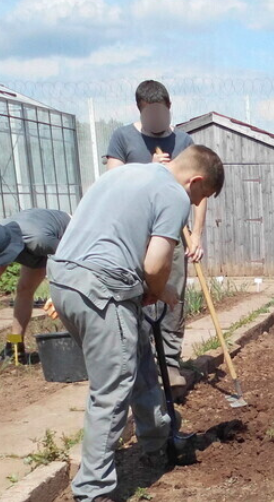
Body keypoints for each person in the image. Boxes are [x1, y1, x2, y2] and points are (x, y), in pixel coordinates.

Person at [49, 145, 224, 502]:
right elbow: (155, 263)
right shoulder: (174, 193)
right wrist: (162, 291)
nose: (195, 204)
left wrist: (140, 287)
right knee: (112, 389)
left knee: (139, 356)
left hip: (65, 280)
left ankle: (158, 440)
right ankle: (91, 500)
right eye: (201, 197)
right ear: (195, 181)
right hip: (101, 289)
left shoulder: (123, 173)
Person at [105, 79, 208, 393]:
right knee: (138, 294)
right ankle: (142, 362)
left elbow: (200, 192)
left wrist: (197, 235)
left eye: (163, 113)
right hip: (135, 234)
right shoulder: (123, 137)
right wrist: (150, 169)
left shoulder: (184, 141)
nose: (159, 121)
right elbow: (113, 183)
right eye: (152, 114)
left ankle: (172, 362)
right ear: (141, 110)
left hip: (172, 232)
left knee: (172, 294)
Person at [0, 209, 70, 363]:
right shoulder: (0, 233)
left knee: (74, 297)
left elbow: (68, 260)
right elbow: (0, 259)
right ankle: (15, 346)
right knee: (24, 289)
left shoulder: (39, 240)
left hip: (66, 240)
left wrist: (57, 293)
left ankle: (82, 345)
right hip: (37, 244)